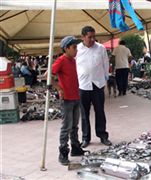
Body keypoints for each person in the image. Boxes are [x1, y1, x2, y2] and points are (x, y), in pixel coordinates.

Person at [46, 36, 86, 166]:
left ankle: (75, 148)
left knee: (74, 126)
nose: (76, 50)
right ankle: (63, 153)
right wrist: (59, 88)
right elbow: (47, 75)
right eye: (74, 48)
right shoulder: (61, 60)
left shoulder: (73, 60)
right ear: (66, 48)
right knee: (66, 127)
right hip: (67, 99)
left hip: (75, 97)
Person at [76, 26, 112, 148]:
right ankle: (86, 138)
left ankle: (102, 135)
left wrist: (105, 79)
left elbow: (105, 63)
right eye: (89, 37)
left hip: (98, 84)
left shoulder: (100, 48)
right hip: (83, 85)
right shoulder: (77, 49)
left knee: (100, 111)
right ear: (83, 37)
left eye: (93, 37)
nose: (92, 39)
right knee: (84, 113)